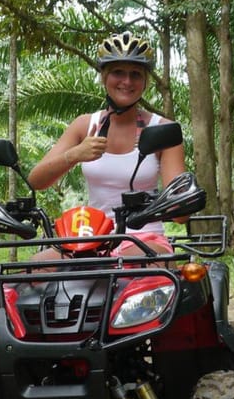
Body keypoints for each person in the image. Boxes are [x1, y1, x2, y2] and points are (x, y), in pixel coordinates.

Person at [27, 31, 186, 258]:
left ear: (145, 81)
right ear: (104, 77)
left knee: (129, 270)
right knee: (33, 271)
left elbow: (180, 211)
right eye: (118, 72)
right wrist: (75, 154)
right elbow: (36, 180)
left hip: (144, 238)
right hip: (90, 239)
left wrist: (174, 200)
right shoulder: (84, 125)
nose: (127, 81)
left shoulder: (163, 129)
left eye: (135, 74)